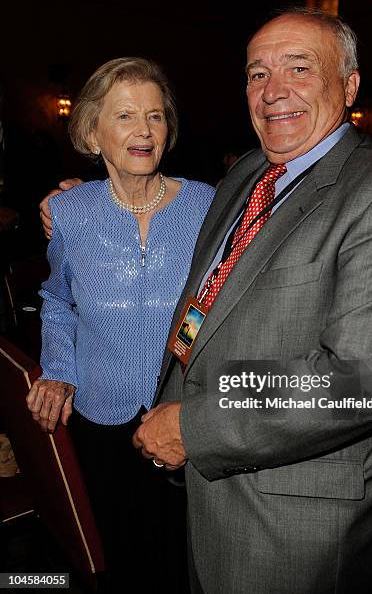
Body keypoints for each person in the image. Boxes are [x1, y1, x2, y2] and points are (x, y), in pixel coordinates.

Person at [40, 10, 372, 594]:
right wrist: (81, 203)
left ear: (350, 84)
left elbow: (369, 380)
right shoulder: (248, 175)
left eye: (299, 68)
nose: (273, 90)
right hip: (203, 486)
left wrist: (195, 426)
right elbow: (208, 311)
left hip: (291, 516)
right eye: (257, 73)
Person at [27, 56, 214, 592]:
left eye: (155, 117)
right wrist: (59, 369)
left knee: (182, 558)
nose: (143, 130)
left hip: (182, 415)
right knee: (119, 554)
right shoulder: (69, 212)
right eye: (126, 116)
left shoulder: (209, 206)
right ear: (92, 132)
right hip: (99, 416)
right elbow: (58, 300)